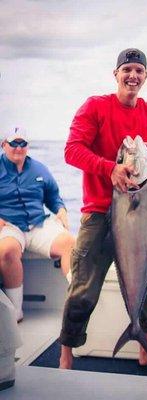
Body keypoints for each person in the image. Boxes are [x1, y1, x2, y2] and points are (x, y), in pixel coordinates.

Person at [59, 48, 147, 375]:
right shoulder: (96, 106)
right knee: (83, 288)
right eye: (127, 69)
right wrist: (108, 168)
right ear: (115, 74)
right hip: (99, 214)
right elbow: (72, 151)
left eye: (139, 70)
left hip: (141, 216)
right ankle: (66, 356)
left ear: (145, 76)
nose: (133, 76)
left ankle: (145, 350)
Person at [0, 127, 76, 322]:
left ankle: (77, 300)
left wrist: (61, 210)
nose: (18, 148)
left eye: (22, 143)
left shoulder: (39, 169)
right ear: (4, 145)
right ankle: (16, 310)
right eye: (13, 143)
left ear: (27, 146)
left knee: (69, 242)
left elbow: (53, 196)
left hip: (38, 223)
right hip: (9, 225)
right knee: (6, 251)